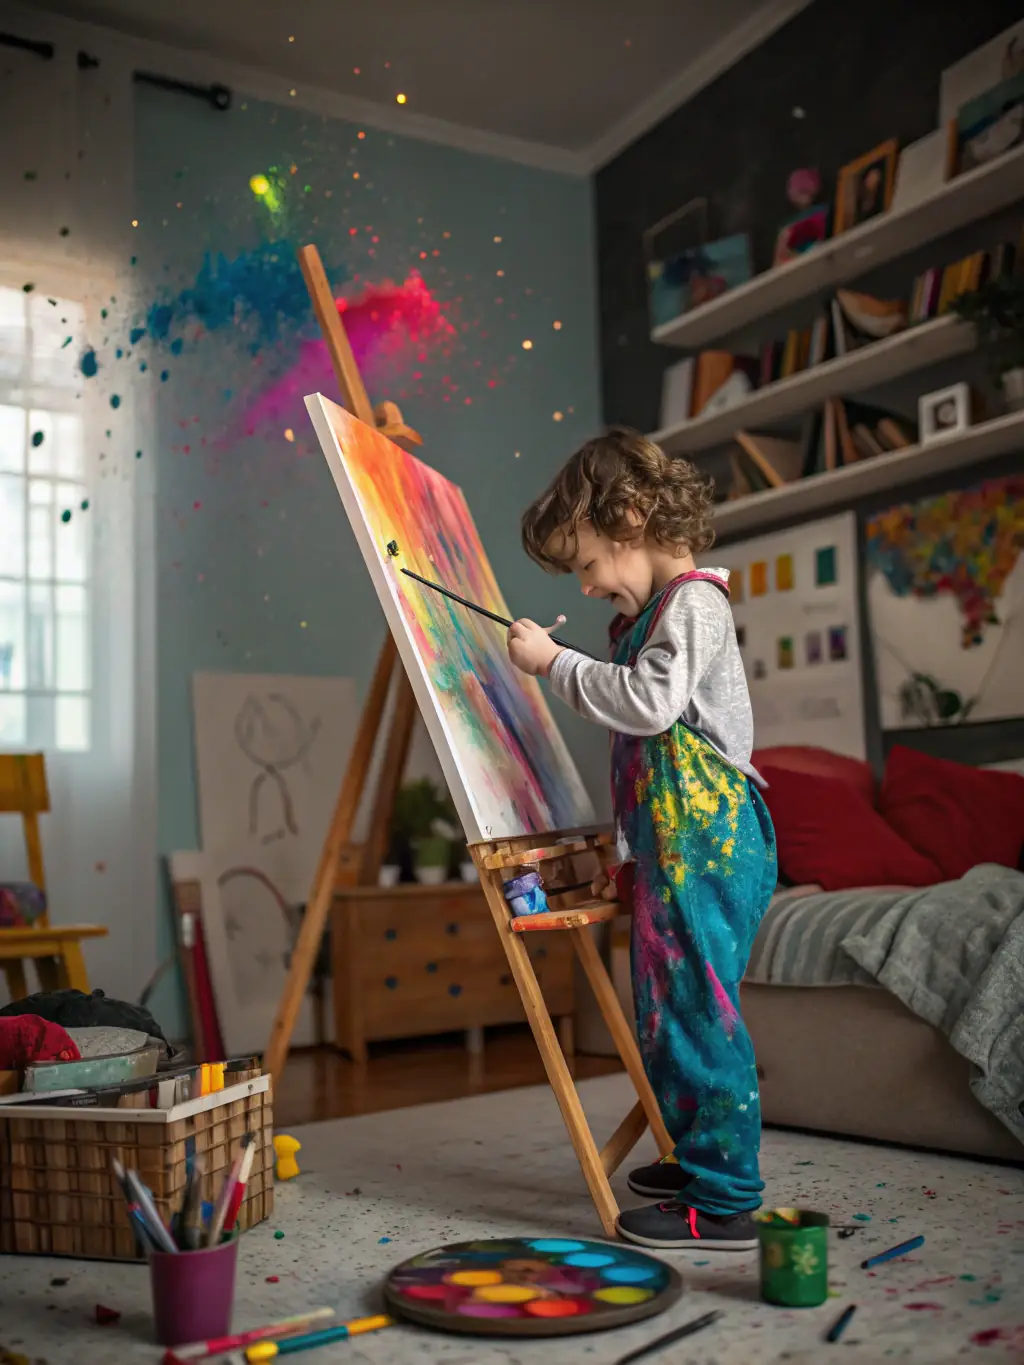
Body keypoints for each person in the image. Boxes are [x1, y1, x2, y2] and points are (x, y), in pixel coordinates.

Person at [507, 427, 776, 1251]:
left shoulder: (696, 600)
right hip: (675, 843)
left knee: (699, 1009)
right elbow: (641, 730)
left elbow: (652, 707)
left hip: (713, 841)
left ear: (627, 516)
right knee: (663, 1010)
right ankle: (700, 1158)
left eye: (586, 563)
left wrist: (555, 664)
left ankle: (726, 1197)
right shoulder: (651, 615)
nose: (586, 585)